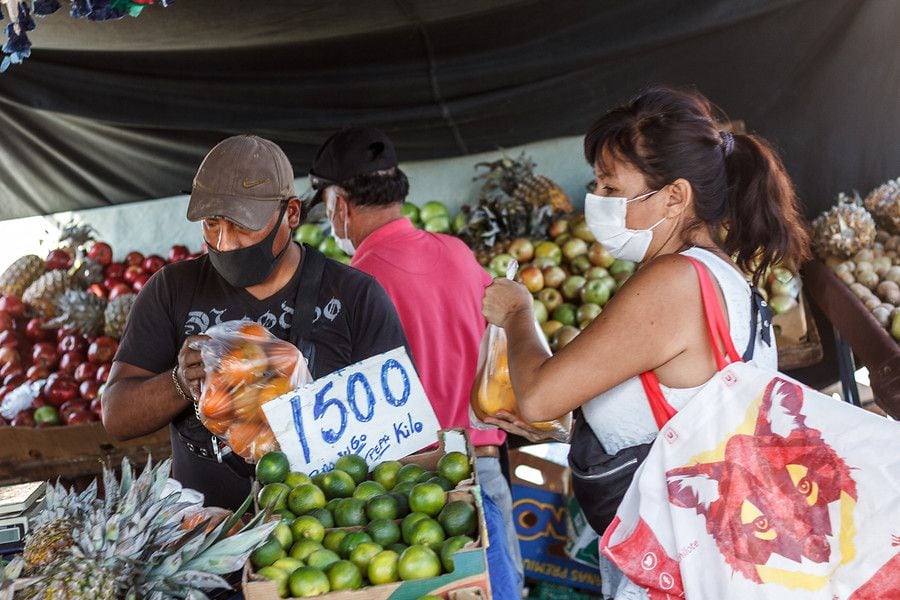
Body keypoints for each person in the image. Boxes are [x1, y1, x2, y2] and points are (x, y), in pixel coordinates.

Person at [481, 87, 811, 599]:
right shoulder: (719, 276)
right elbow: (675, 415)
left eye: (612, 189)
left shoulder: (674, 282)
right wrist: (574, 424)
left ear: (675, 196)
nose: (597, 202)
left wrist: (518, 312)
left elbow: (539, 393)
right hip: (705, 561)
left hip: (683, 573)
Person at [102, 134, 410, 510]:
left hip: (323, 535)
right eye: (212, 224)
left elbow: (396, 435)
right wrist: (179, 383)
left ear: (292, 214)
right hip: (202, 536)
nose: (225, 243)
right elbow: (116, 416)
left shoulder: (355, 297)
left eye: (242, 225)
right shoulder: (171, 290)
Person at [305, 126, 523, 592]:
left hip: (417, 495)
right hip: (486, 467)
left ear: (339, 205)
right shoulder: (460, 254)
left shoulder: (351, 287)